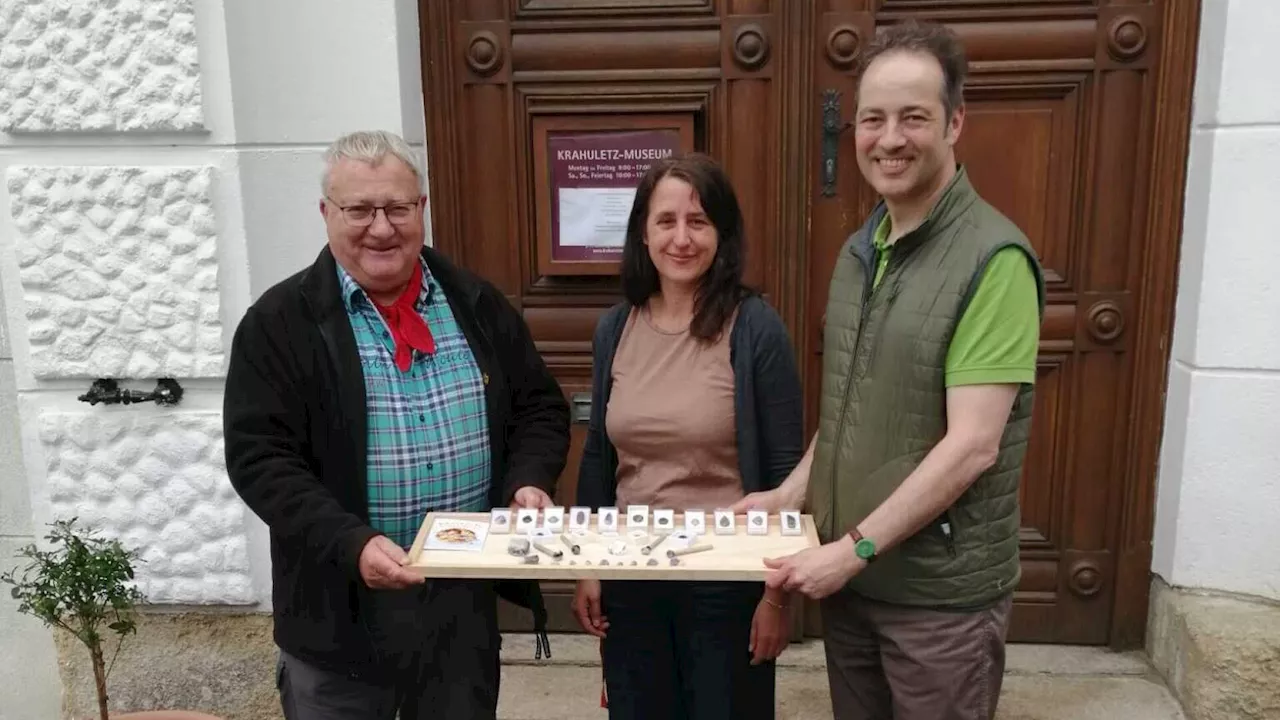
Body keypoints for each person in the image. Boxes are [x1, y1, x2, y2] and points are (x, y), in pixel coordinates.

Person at [732, 20, 1046, 720]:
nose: (890, 138)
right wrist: (790, 495)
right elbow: (848, 409)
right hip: (858, 586)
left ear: (955, 122)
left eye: (914, 117)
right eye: (873, 119)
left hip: (936, 601)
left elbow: (973, 446)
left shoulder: (994, 261)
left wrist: (853, 548)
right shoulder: (859, 250)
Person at [223, 129, 570, 720]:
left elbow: (539, 406)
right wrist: (351, 543)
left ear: (422, 210)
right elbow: (261, 459)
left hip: (458, 613)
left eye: (397, 208)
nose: (381, 228)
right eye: (359, 209)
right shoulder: (279, 324)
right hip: (340, 618)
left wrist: (526, 480)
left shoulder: (475, 303)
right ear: (326, 213)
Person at [571, 152, 805, 720]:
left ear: (721, 234)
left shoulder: (755, 329)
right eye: (666, 221)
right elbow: (601, 456)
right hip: (632, 577)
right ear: (642, 234)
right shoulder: (615, 328)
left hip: (725, 583)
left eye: (698, 222)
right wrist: (588, 563)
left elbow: (784, 473)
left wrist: (775, 598)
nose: (682, 238)